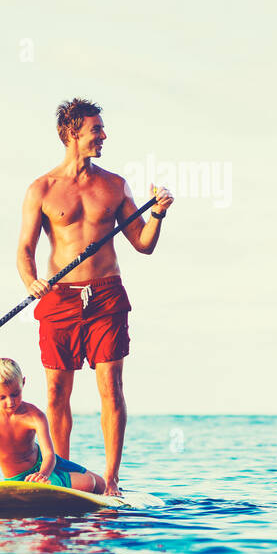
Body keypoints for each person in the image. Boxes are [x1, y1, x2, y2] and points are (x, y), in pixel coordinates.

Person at [16, 97, 174, 497]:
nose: (103, 135)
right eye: (96, 129)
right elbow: (24, 249)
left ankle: (113, 480)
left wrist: (157, 214)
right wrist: (31, 280)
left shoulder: (115, 185)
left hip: (106, 295)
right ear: (73, 134)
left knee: (111, 386)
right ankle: (61, 476)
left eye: (102, 129)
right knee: (55, 391)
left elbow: (143, 244)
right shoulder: (42, 189)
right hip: (60, 297)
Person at [0, 358, 107, 493]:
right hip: (21, 478)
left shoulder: (35, 416)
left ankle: (59, 486)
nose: (10, 402)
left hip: (46, 465)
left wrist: (43, 474)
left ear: (23, 383)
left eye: (15, 394)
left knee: (101, 484)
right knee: (89, 483)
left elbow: (49, 454)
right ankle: (59, 488)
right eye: (2, 397)